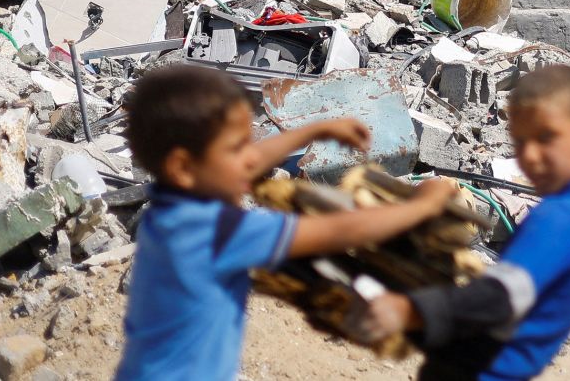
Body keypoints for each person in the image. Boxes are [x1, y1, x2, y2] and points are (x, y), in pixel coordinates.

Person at [114, 65, 458, 381]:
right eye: (236, 148)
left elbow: (249, 163)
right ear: (183, 168)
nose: (251, 158)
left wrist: (314, 130)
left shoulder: (171, 205)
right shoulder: (220, 232)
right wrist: (420, 206)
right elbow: (338, 230)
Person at [351, 65, 570, 381]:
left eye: (546, 137)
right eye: (519, 141)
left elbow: (499, 298)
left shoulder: (561, 219)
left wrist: (409, 310)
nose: (529, 156)